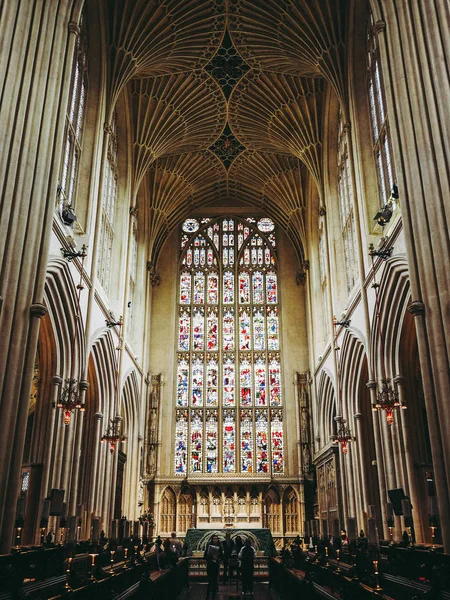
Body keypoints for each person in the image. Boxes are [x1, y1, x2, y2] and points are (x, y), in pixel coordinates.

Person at [204, 534, 223, 599]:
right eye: (214, 539)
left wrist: (218, 558)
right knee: (210, 581)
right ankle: (208, 594)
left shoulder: (220, 547)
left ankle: (214, 596)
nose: (215, 540)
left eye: (216, 539)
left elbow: (222, 556)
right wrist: (211, 557)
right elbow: (205, 556)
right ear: (212, 540)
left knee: (215, 581)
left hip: (216, 566)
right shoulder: (209, 547)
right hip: (210, 565)